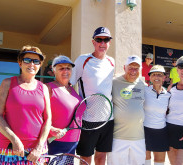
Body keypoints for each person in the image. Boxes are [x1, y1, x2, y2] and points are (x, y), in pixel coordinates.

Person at [0, 45, 52, 165]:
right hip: (10, 148)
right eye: (27, 60)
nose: (32, 64)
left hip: (36, 152)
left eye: (36, 61)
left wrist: (40, 146)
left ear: (40, 65)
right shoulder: (7, 83)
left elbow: (48, 119)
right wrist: (14, 140)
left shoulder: (44, 88)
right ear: (20, 63)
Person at [70, 27, 114, 165]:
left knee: (101, 158)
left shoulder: (112, 62)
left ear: (109, 43)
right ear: (93, 42)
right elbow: (69, 86)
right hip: (88, 120)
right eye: (99, 39)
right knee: (85, 158)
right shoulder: (82, 60)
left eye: (106, 40)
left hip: (108, 119)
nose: (102, 43)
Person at [107, 55, 147, 165]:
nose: (133, 71)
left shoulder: (143, 85)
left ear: (140, 70)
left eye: (136, 68)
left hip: (138, 138)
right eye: (131, 67)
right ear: (124, 67)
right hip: (117, 138)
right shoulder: (113, 82)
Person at [46, 55, 86, 155]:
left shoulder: (72, 89)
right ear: (54, 70)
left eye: (68, 68)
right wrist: (51, 130)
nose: (65, 71)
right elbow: (37, 115)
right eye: (61, 68)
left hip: (73, 142)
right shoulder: (48, 88)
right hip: (55, 141)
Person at [144, 65, 171, 165]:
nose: (156, 77)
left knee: (159, 162)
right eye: (154, 74)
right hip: (144, 130)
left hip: (161, 131)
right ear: (150, 77)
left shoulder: (168, 95)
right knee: (145, 160)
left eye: (159, 75)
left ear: (164, 77)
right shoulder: (144, 91)